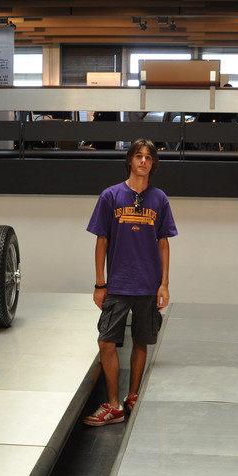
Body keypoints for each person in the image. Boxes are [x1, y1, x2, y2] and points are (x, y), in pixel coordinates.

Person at [84, 138, 177, 427]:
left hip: (148, 285)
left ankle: (132, 396)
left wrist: (164, 284)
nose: (143, 161)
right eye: (139, 156)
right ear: (130, 161)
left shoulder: (159, 199)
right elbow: (101, 241)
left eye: (148, 157)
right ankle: (113, 405)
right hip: (118, 284)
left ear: (153, 164)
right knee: (106, 341)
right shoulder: (110, 196)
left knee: (141, 341)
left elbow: (163, 243)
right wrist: (100, 284)